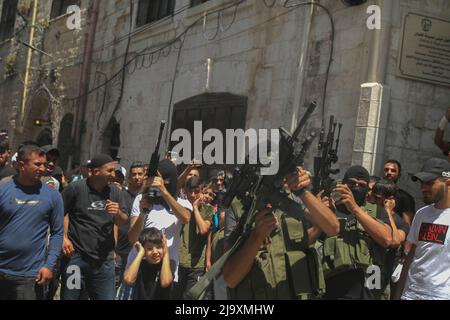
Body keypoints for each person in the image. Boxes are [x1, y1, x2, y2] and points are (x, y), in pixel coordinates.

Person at [223, 166, 340, 300]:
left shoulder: (293, 200)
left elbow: (333, 227)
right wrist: (256, 236)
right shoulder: (239, 206)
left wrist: (302, 191)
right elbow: (230, 278)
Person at [319, 166, 393, 300]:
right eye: (352, 183)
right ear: (343, 184)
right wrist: (322, 213)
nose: (356, 187)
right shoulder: (329, 208)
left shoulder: (377, 211)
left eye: (361, 185)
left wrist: (354, 208)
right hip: (331, 287)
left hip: (368, 286)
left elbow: (387, 239)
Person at [60, 154, 129, 300]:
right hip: (76, 259)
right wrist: (64, 238)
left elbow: (124, 220)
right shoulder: (76, 188)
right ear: (96, 172)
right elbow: (59, 214)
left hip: (104, 262)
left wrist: (117, 213)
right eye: (109, 171)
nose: (113, 174)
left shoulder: (115, 191)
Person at [0, 145, 64, 300]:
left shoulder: (53, 196)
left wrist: (49, 265)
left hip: (30, 276)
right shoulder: (3, 189)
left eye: (44, 164)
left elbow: (57, 233)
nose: (43, 168)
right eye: (38, 164)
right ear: (22, 165)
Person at [128, 159, 191, 297]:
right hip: (139, 265)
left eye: (163, 179)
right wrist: (142, 213)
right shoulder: (141, 199)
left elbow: (185, 218)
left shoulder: (182, 203)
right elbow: (132, 238)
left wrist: (164, 192)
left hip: (166, 268)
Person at [394, 158, 450, 300]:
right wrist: (398, 295)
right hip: (411, 294)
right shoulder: (422, 214)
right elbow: (412, 257)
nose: (423, 188)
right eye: (422, 183)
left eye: (430, 183)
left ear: (448, 183)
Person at [370, 179, 409, 299]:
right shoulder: (368, 213)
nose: (372, 201)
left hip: (377, 273)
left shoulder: (400, 222)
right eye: (372, 197)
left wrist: (388, 213)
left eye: (377, 198)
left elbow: (395, 241)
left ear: (390, 199)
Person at [177, 176, 214, 299]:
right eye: (190, 192)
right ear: (185, 191)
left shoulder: (208, 209)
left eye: (196, 192)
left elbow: (205, 231)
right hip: (179, 262)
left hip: (197, 264)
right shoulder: (180, 208)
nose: (193, 195)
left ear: (202, 191)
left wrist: (196, 209)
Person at [122, 228, 173, 300]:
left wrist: (166, 252)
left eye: (159, 247)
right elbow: (128, 279)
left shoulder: (166, 264)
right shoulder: (140, 264)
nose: (155, 252)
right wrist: (140, 253)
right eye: (149, 249)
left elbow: (165, 282)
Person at [383, 160, 416, 225]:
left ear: (399, 175)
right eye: (386, 170)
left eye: (393, 170)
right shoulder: (374, 192)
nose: (389, 172)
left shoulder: (406, 198)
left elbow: (407, 226)